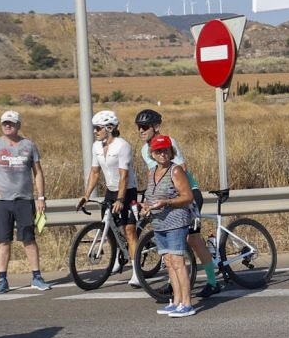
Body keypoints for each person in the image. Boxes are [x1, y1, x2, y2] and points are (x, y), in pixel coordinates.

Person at [134, 108, 217, 297]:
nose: (140, 130)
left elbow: (180, 169)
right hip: (165, 196)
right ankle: (175, 282)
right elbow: (154, 174)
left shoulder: (169, 143)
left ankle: (213, 281)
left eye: (145, 126)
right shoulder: (144, 150)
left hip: (187, 193)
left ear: (156, 126)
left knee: (192, 239)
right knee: (172, 240)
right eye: (138, 127)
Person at [0, 110, 49, 294]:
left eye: (11, 123)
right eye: (4, 123)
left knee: (29, 240)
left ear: (18, 125)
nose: (7, 126)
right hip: (2, 201)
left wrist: (41, 197)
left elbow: (38, 172)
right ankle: (2, 280)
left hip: (24, 200)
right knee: (3, 241)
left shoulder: (28, 145)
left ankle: (37, 277)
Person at [77, 110, 141, 286]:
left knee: (129, 231)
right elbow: (95, 172)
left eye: (98, 128)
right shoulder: (96, 146)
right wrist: (86, 195)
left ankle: (136, 272)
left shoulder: (122, 146)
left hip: (127, 191)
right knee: (110, 228)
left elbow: (123, 177)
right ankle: (118, 258)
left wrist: (121, 200)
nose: (95, 131)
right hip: (110, 191)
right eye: (94, 128)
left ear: (109, 128)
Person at [139, 134, 197, 317]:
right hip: (159, 223)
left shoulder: (176, 170)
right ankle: (177, 301)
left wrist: (166, 202)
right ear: (152, 154)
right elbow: (152, 197)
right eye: (158, 151)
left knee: (178, 262)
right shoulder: (151, 173)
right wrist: (145, 207)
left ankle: (187, 303)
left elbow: (188, 197)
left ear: (171, 151)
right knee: (169, 262)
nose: (162, 153)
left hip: (175, 222)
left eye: (165, 150)